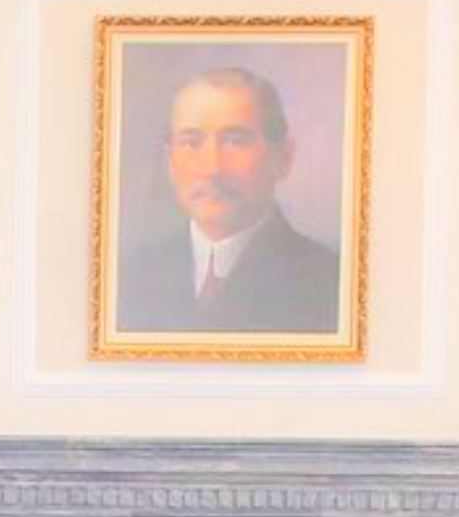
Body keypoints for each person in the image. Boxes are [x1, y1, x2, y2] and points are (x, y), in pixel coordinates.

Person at [116, 66, 340, 334]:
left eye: (235, 142)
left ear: (282, 159)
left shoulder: (330, 283)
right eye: (191, 142)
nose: (212, 168)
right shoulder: (128, 275)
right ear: (170, 161)